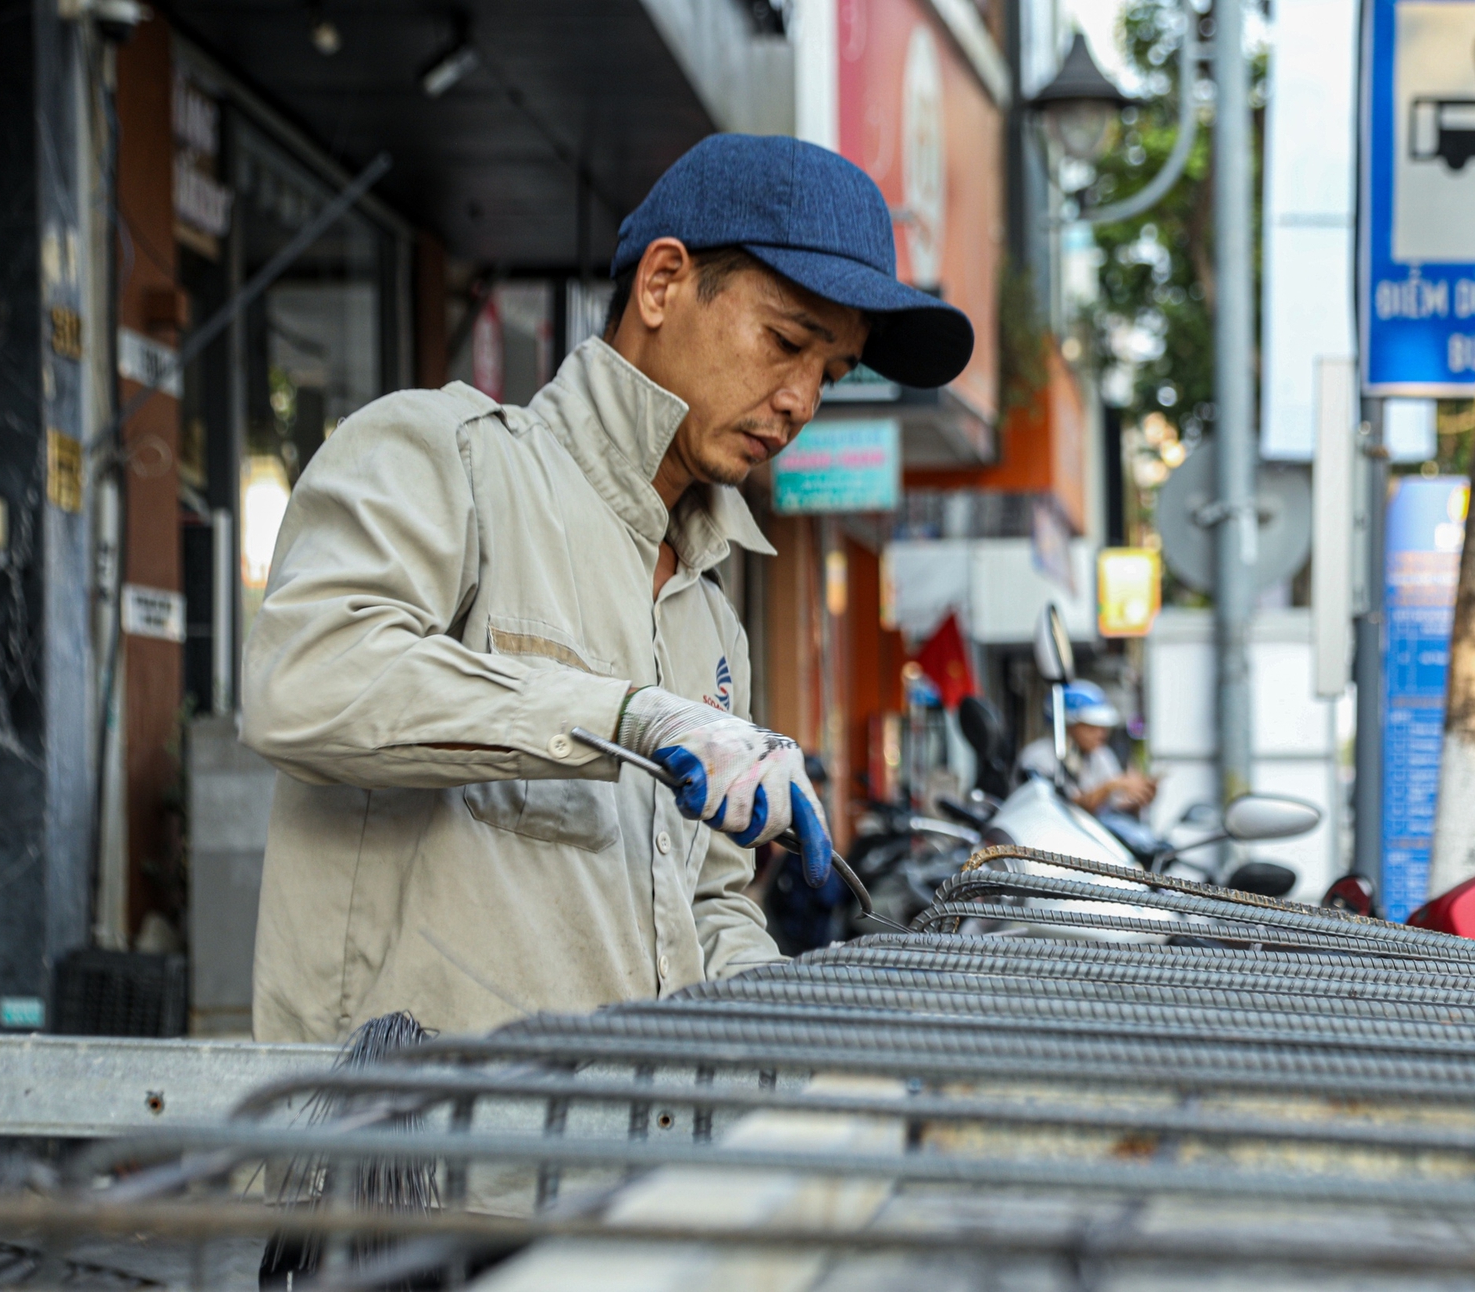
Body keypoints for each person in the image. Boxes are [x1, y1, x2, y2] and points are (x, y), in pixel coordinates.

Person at [241, 135, 973, 1042]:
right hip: (400, 1164)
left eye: (830, 373)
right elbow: (304, 682)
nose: (800, 401)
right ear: (662, 284)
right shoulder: (449, 457)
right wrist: (630, 717)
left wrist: (794, 1022)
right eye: (786, 341)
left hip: (612, 1164)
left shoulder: (711, 613)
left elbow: (706, 900)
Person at [1017, 681, 1157, 816]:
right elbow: (1060, 811)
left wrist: (1139, 800)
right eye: (1091, 726)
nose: (1101, 734)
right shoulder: (1039, 757)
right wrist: (1111, 786)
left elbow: (1114, 808)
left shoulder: (1100, 755)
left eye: (1103, 727)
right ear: (1066, 725)